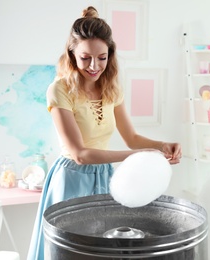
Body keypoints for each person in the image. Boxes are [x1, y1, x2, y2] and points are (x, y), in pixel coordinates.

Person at [27, 6, 182, 260]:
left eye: (102, 57)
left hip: (106, 176)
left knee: (102, 250)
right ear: (71, 54)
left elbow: (132, 138)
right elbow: (80, 154)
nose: (94, 65)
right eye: (85, 57)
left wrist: (162, 146)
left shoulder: (111, 89)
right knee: (71, 251)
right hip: (71, 179)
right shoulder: (59, 90)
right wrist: (139, 155)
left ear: (110, 55)